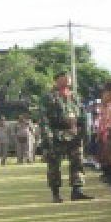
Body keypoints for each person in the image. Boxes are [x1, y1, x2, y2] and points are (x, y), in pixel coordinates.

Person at [40, 71, 92, 203]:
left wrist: (84, 133)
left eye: (68, 79)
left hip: (74, 134)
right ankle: (55, 193)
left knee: (77, 162)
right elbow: (44, 118)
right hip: (57, 134)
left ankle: (77, 190)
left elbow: (82, 115)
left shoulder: (74, 96)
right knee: (54, 165)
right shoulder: (49, 97)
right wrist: (48, 136)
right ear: (56, 81)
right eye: (64, 79)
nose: (67, 81)